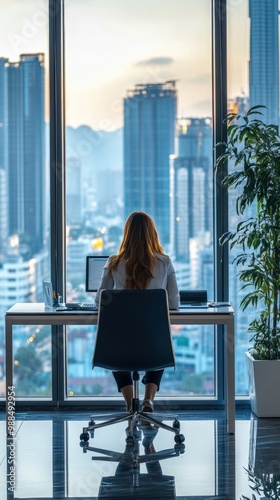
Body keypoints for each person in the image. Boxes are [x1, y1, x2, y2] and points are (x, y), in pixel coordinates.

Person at [95, 211, 180, 412]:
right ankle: (148, 400)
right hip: (154, 347)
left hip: (118, 349)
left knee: (114, 340)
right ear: (153, 234)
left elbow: (100, 300)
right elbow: (174, 303)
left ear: (126, 234)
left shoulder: (114, 262)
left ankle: (129, 403)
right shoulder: (164, 262)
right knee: (159, 336)